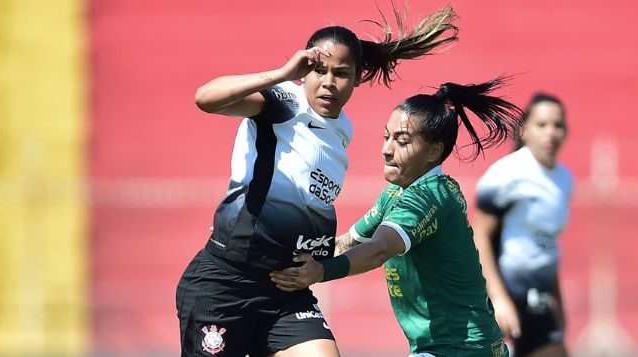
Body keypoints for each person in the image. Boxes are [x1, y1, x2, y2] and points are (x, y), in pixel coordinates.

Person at [177, 6, 459, 357]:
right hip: (226, 282)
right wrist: (281, 74)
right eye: (318, 70)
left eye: (341, 73)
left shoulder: (344, 130)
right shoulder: (282, 102)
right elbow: (205, 98)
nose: (328, 82)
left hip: (285, 289)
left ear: (358, 78)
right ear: (304, 72)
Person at [270, 77, 523, 357]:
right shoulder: (396, 194)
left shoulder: (429, 198)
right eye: (386, 136)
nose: (386, 149)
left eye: (401, 141)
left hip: (460, 349)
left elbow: (378, 250)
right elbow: (349, 243)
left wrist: (320, 272)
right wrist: (281, 253)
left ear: (434, 152)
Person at [471, 93, 572, 357]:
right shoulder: (507, 174)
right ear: (524, 130)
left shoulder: (564, 180)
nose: (550, 132)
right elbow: (479, 236)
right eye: (542, 124)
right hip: (504, 298)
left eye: (558, 125)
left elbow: (548, 243)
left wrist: (558, 305)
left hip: (538, 299)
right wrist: (498, 298)